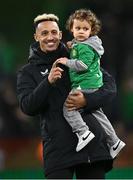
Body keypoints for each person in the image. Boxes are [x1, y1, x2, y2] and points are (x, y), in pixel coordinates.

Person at [17, 13, 116, 179]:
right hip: (58, 152)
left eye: (54, 32)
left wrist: (87, 100)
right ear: (36, 37)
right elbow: (27, 106)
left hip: (91, 148)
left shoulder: (78, 54)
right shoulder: (27, 72)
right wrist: (47, 82)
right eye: (44, 33)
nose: (50, 37)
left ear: (60, 35)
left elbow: (110, 87)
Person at [56, 9, 125, 155]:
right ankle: (114, 142)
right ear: (72, 29)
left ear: (92, 31)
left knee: (68, 109)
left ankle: (83, 133)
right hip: (93, 85)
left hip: (84, 85)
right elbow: (78, 47)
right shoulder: (84, 44)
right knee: (99, 115)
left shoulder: (85, 47)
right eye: (78, 28)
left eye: (85, 29)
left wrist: (67, 61)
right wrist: (72, 45)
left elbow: (83, 65)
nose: (81, 32)